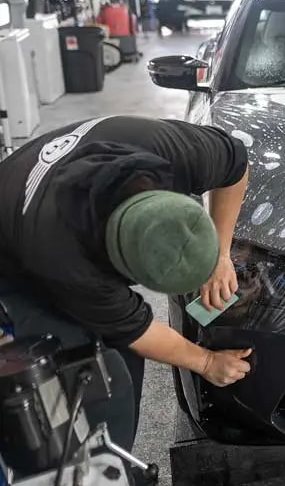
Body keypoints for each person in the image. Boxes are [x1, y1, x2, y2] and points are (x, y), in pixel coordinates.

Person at [0, 116, 254, 452]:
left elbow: (236, 166)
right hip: (11, 256)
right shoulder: (67, 263)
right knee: (96, 381)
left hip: (36, 195)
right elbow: (138, 331)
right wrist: (206, 362)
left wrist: (221, 255)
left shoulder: (177, 150)